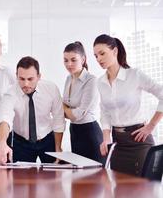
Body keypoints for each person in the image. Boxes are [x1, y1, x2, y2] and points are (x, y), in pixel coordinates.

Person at [93, 34, 163, 176]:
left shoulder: (135, 75)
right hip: (118, 144)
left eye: (102, 53)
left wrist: (150, 126)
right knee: (120, 189)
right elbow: (105, 112)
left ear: (115, 51)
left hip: (139, 141)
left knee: (141, 190)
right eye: (95, 56)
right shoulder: (100, 82)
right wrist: (106, 138)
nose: (99, 59)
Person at [0, 56, 65, 165]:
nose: (26, 84)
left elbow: (58, 119)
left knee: (53, 178)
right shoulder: (10, 93)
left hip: (47, 139)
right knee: (21, 179)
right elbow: (4, 119)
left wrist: (58, 147)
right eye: (21, 79)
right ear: (16, 76)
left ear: (39, 77)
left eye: (30, 79)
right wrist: (1, 143)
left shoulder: (51, 89)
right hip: (21, 142)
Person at [62, 41, 103, 163]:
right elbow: (67, 110)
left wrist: (63, 108)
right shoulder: (68, 79)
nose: (69, 64)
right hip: (74, 132)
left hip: (90, 133)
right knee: (78, 178)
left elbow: (78, 115)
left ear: (83, 59)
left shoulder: (91, 80)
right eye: (65, 60)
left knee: (95, 178)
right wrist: (67, 110)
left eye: (73, 60)